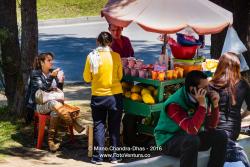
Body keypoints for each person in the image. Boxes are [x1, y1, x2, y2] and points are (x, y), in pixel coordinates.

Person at [154, 70, 228, 167]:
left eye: (208, 86)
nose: (208, 90)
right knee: (192, 140)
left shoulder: (202, 96)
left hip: (189, 137)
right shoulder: (174, 104)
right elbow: (191, 130)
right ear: (193, 89)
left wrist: (215, 105)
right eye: (205, 87)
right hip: (168, 140)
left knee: (221, 135)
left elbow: (212, 126)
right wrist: (201, 106)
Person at [25, 52, 84, 152]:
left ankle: (51, 142)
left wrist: (60, 82)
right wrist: (51, 77)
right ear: (42, 62)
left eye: (52, 60)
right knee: (54, 104)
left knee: (55, 111)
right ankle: (73, 122)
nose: (51, 62)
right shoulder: (35, 74)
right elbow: (42, 89)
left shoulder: (53, 72)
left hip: (54, 105)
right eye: (49, 60)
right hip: (40, 105)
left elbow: (58, 92)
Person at [83, 32, 123, 164]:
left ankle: (98, 157)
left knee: (99, 126)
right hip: (115, 97)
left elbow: (87, 78)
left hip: (98, 96)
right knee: (114, 126)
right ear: (111, 43)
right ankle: (114, 156)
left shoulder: (91, 56)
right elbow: (120, 76)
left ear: (97, 41)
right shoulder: (116, 56)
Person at [210, 52, 250, 167]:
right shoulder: (243, 84)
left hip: (214, 130)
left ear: (220, 65)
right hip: (233, 130)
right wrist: (240, 117)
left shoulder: (211, 84)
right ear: (237, 67)